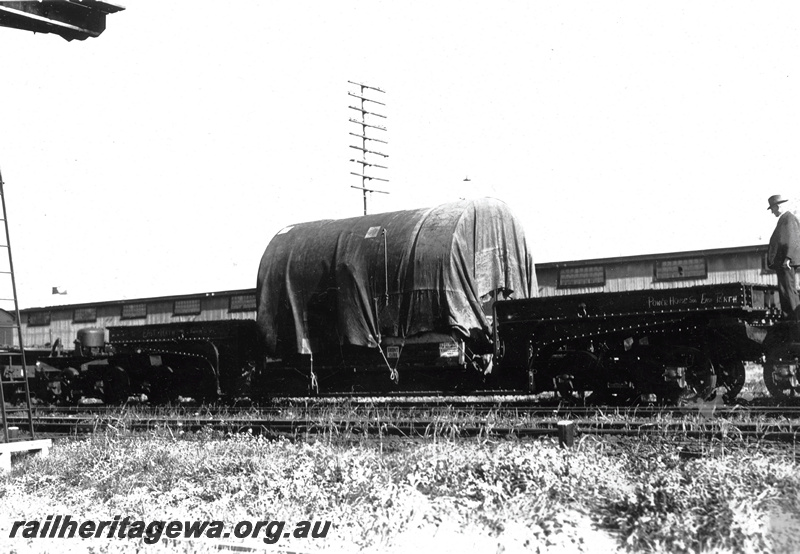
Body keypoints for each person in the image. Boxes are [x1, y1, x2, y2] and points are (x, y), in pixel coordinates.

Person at [767, 194, 800, 320]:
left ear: (778, 206)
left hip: (786, 263)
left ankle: (796, 323)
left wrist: (788, 258)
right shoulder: (784, 219)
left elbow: (792, 240)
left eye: (773, 209)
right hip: (783, 263)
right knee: (784, 292)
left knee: (789, 292)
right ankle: (790, 321)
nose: (772, 212)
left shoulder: (788, 219)